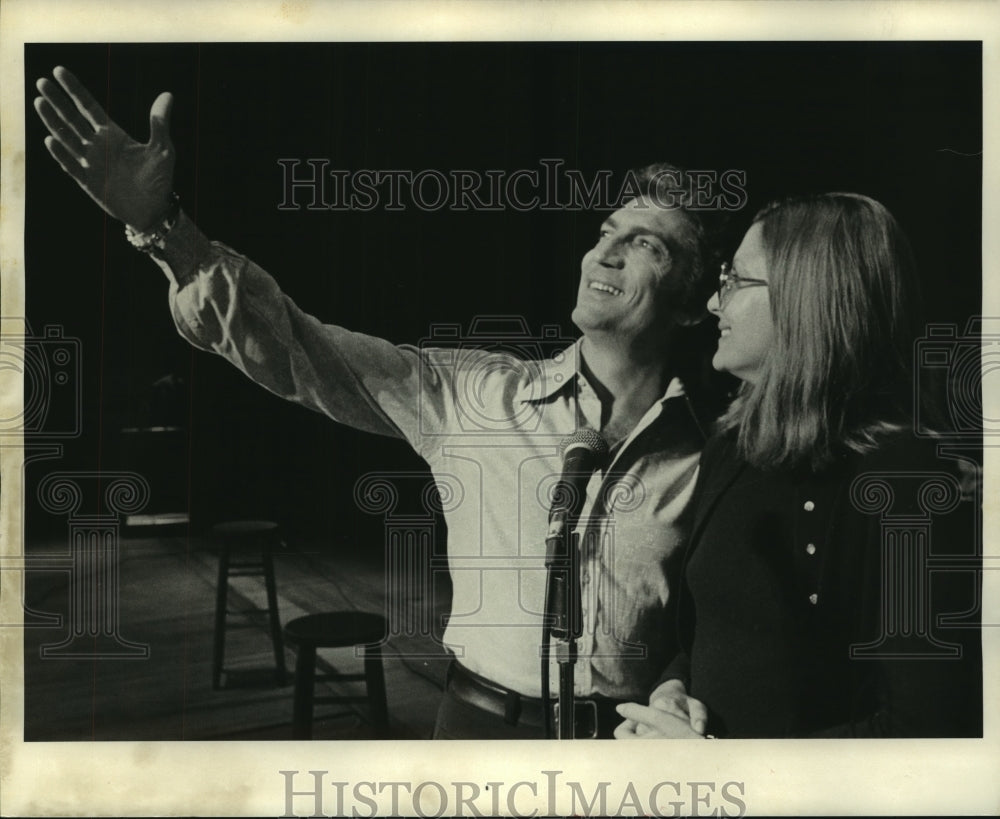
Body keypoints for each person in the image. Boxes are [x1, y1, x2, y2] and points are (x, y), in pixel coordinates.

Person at [34, 66, 729, 738]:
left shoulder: (712, 452)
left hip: (627, 751)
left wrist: (679, 685)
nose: (604, 254)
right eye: (606, 232)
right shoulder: (478, 395)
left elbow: (715, 621)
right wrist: (167, 233)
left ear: (697, 303)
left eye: (647, 247)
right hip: (479, 733)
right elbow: (296, 349)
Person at [615, 193, 983, 739]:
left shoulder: (905, 482)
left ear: (805, 298)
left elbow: (926, 725)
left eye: (735, 281)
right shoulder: (731, 444)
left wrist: (724, 769)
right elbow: (706, 635)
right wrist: (673, 692)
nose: (716, 304)